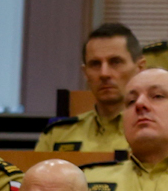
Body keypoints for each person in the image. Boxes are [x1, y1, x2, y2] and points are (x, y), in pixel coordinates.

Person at [41, 23, 141, 151]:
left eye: (115, 62)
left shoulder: (158, 134)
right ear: (85, 73)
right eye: (95, 64)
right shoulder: (58, 135)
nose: (104, 73)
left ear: (140, 68)